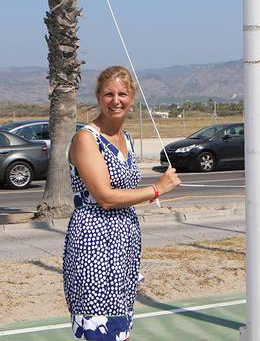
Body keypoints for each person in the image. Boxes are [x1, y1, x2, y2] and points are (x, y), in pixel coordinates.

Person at [62, 66, 180, 341]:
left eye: (122, 94)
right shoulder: (86, 139)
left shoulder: (126, 138)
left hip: (123, 241)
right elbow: (104, 197)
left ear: (132, 98)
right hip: (94, 243)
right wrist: (156, 189)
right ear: (98, 97)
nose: (116, 100)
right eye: (108, 94)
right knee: (98, 330)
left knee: (120, 330)